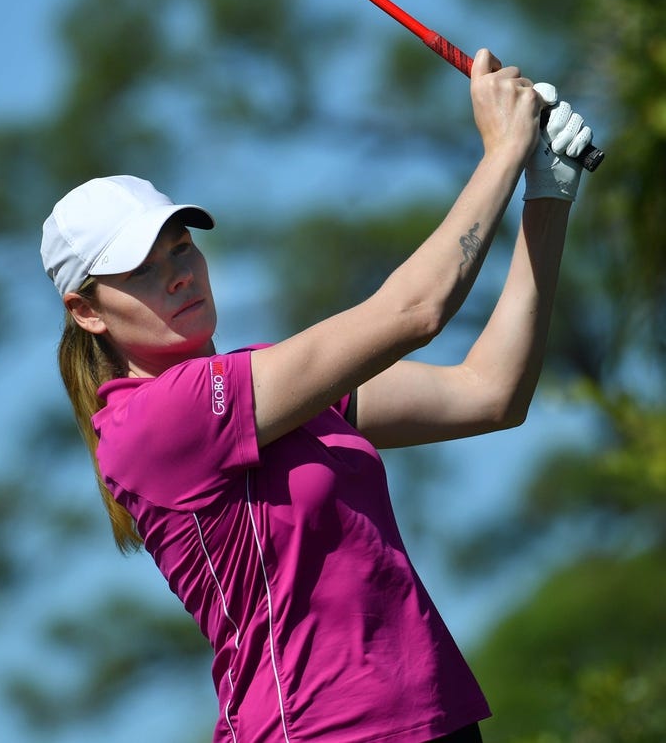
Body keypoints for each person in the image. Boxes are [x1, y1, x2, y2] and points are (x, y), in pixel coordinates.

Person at [39, 49, 594, 743]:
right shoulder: (154, 420)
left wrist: (546, 193)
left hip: (434, 720)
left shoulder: (272, 386)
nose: (177, 276)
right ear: (86, 311)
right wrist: (504, 149)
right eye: (142, 271)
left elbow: (489, 393)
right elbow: (412, 313)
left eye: (181, 249)